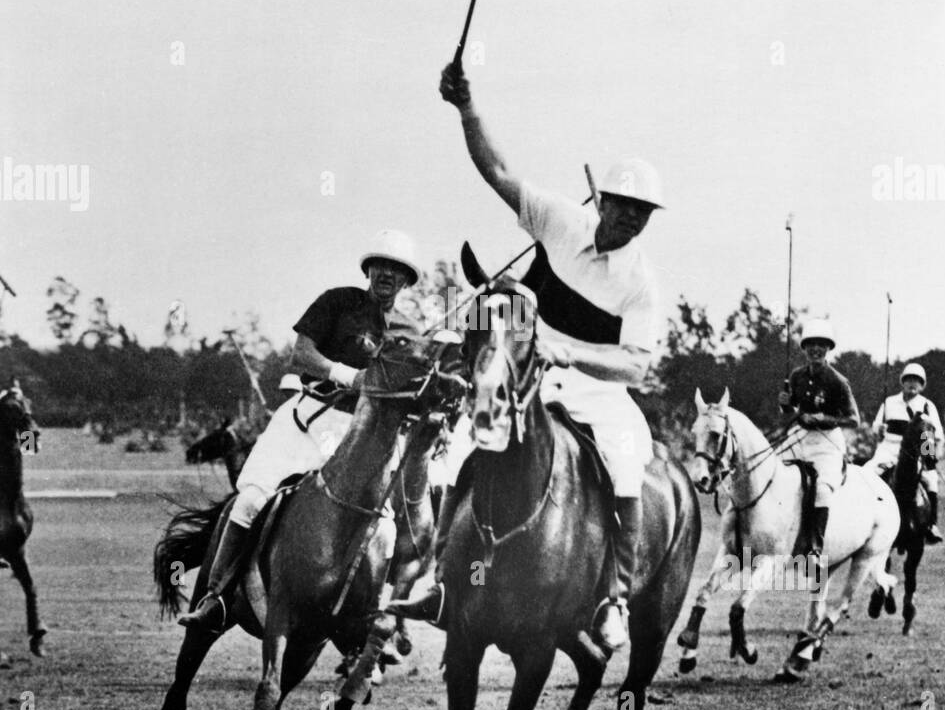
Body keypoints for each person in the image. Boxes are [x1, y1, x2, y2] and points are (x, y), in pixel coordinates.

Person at [393, 62, 663, 655]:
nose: (632, 220)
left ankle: (614, 596)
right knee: (460, 448)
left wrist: (569, 352)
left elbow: (638, 367)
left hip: (594, 389)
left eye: (643, 213)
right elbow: (497, 170)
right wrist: (467, 107)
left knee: (625, 457)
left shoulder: (641, 283)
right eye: (624, 207)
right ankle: (441, 579)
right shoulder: (560, 219)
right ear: (604, 200)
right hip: (523, 376)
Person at [179, 230, 422, 635]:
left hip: (366, 436)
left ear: (406, 281)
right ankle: (216, 596)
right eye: (381, 265)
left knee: (393, 525)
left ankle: (381, 619)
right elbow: (301, 354)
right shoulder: (338, 302)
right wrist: (351, 376)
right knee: (251, 500)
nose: (387, 275)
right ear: (369, 269)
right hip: (310, 416)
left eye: (397, 271)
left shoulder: (410, 331)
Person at [778, 320, 860, 580]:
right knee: (772, 473)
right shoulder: (796, 376)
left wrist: (824, 418)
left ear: (828, 349)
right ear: (804, 348)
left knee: (823, 489)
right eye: (811, 345)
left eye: (821, 346)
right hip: (799, 436)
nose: (816, 350)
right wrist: (785, 406)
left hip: (827, 441)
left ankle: (814, 547)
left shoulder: (838, 381)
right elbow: (789, 412)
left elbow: (853, 420)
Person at [868, 361, 944, 543]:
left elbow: (936, 436)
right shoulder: (889, 402)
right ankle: (865, 518)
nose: (912, 384)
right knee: (868, 473)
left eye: (917, 381)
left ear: (922, 385)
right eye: (909, 380)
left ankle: (932, 524)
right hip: (889, 448)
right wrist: (878, 429)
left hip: (916, 451)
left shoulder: (927, 406)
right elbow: (876, 428)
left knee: (931, 479)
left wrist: (932, 457)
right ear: (902, 382)